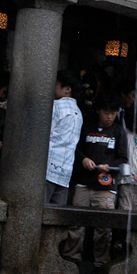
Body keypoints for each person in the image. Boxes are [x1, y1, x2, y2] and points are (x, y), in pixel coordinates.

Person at [61, 90, 128, 274]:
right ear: (98, 110)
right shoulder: (86, 126)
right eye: (106, 112)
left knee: (103, 227)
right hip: (84, 182)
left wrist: (110, 167)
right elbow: (76, 148)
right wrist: (83, 159)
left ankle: (101, 264)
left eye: (113, 113)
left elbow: (123, 160)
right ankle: (71, 259)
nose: (110, 117)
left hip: (106, 187)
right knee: (76, 223)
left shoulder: (118, 131)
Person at [46, 69, 83, 206]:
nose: (53, 87)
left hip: (48, 168)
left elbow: (42, 133)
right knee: (56, 214)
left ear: (67, 89)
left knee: (37, 210)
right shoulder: (78, 113)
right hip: (65, 173)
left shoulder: (56, 106)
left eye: (56, 84)